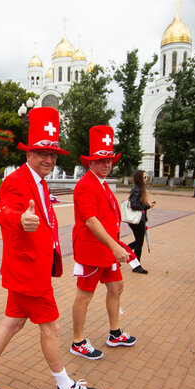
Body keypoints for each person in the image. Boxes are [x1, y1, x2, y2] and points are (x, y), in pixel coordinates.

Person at [0, 107, 100, 389]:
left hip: (29, 268)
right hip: (28, 272)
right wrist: (20, 220)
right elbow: (5, 211)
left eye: (53, 155)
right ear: (28, 155)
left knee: (12, 323)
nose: (49, 160)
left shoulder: (38, 182)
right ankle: (65, 387)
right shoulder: (16, 181)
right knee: (51, 326)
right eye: (42, 154)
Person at [69, 125, 137, 361]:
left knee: (116, 287)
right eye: (101, 161)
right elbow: (91, 220)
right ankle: (77, 341)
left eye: (109, 160)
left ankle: (115, 333)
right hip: (92, 250)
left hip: (107, 250)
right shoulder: (85, 185)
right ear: (90, 163)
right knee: (84, 295)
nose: (106, 164)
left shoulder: (102, 183)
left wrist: (116, 245)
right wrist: (115, 246)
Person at [126, 169, 156, 274]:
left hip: (139, 220)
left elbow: (138, 204)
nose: (146, 179)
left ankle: (121, 254)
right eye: (144, 177)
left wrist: (147, 206)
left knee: (139, 241)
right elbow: (134, 205)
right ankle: (136, 265)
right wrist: (147, 206)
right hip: (136, 221)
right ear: (140, 178)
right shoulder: (137, 189)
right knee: (139, 242)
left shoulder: (139, 189)